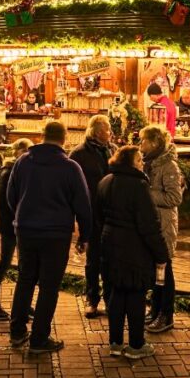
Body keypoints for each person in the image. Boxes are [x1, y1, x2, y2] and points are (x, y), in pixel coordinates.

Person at [6, 121, 92, 354]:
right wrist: (84, 236)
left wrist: (21, 217)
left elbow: (11, 195)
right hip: (56, 233)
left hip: (26, 230)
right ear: (64, 139)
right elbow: (83, 205)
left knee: (25, 279)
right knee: (49, 286)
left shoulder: (23, 162)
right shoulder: (70, 168)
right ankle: (39, 339)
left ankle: (17, 331)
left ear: (42, 136)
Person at [97, 145, 169, 360]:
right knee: (136, 295)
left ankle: (115, 342)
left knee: (117, 292)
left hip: (110, 243)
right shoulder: (138, 186)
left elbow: (98, 215)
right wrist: (161, 253)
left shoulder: (105, 181)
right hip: (134, 247)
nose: (142, 163)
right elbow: (149, 224)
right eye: (139, 160)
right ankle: (137, 344)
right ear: (130, 162)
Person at [69, 115, 117, 318]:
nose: (110, 133)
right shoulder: (79, 154)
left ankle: (111, 298)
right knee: (93, 259)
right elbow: (72, 185)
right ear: (97, 132)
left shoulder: (113, 150)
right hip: (91, 212)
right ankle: (92, 298)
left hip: (112, 212)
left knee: (111, 258)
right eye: (107, 129)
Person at [0, 137, 33, 321]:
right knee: (4, 263)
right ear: (19, 152)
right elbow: (5, 203)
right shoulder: (10, 172)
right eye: (26, 152)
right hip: (11, 225)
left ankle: (23, 303)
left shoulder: (18, 170)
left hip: (19, 224)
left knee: (23, 265)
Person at [138, 124, 182, 333]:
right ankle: (155, 309)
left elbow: (175, 197)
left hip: (164, 225)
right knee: (157, 271)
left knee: (166, 271)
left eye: (143, 140)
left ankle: (166, 314)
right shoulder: (150, 163)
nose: (140, 145)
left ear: (154, 142)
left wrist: (147, 194)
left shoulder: (168, 166)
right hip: (152, 224)